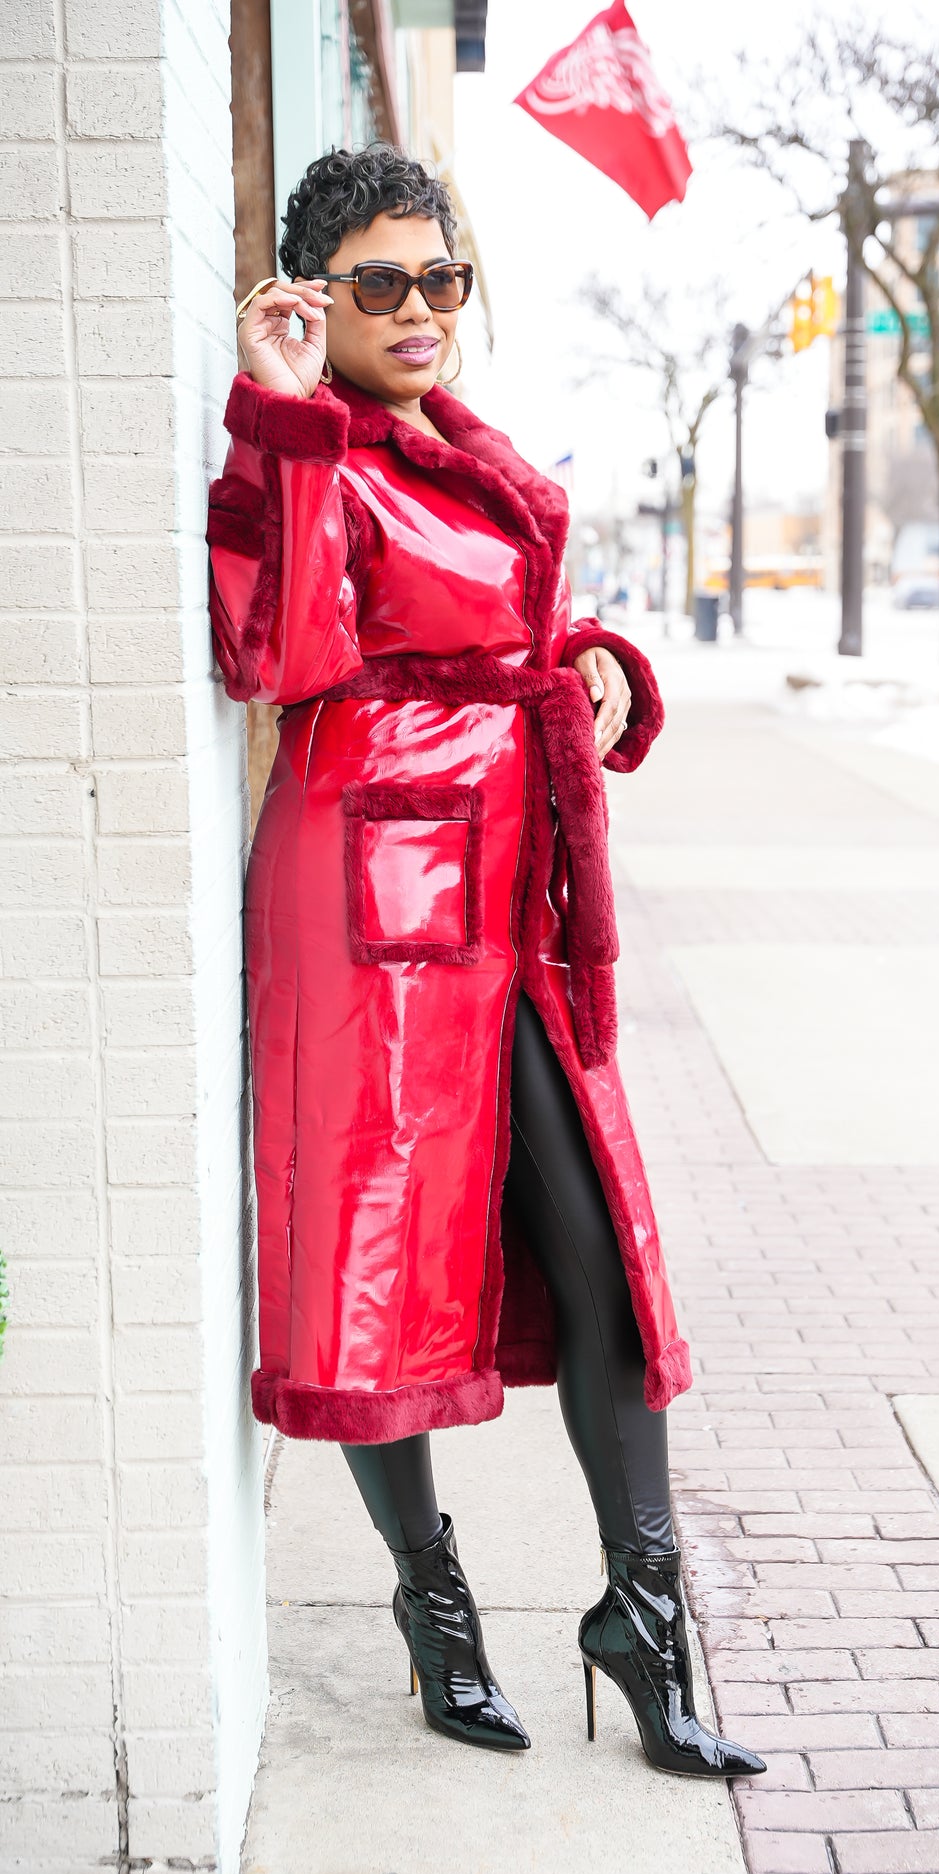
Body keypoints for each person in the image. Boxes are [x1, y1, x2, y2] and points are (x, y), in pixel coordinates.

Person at [207, 142, 764, 1782]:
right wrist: (288, 408)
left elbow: (513, 632)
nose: (421, 308)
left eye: (441, 275)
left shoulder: (463, 442)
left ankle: (641, 1618)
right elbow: (279, 654)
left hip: (504, 900)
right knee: (368, 1263)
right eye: (378, 282)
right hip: (367, 901)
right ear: (318, 296)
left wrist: (590, 669)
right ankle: (433, 1605)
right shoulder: (310, 446)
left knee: (598, 1250)